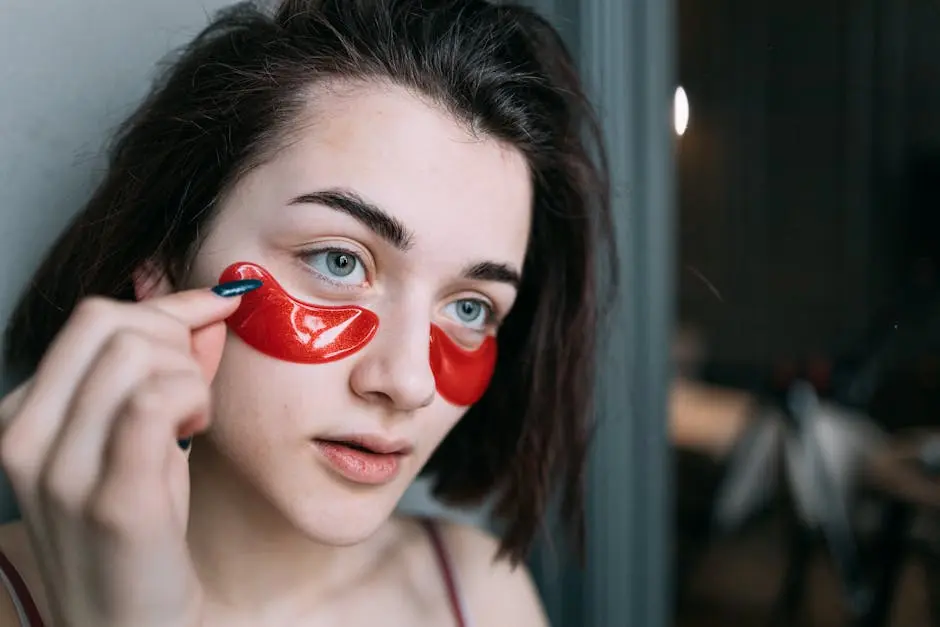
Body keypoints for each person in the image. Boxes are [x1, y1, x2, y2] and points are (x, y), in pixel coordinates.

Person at [0, 0, 614, 625]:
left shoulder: (482, 595)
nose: (409, 384)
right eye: (339, 262)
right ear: (163, 265)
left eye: (468, 305)